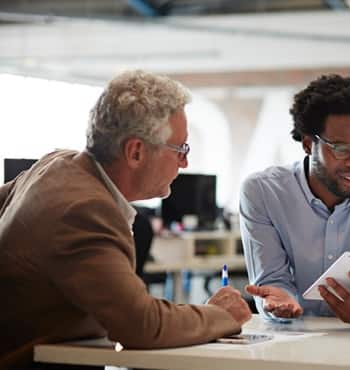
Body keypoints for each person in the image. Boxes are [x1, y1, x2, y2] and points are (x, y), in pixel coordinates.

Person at [0, 70, 252, 368]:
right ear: (135, 152)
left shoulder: (57, 164)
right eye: (180, 149)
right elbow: (141, 325)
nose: (185, 162)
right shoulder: (84, 210)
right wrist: (222, 316)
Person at [240, 74, 350, 328]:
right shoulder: (263, 192)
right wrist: (280, 303)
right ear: (307, 144)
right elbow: (272, 281)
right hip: (292, 338)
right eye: (341, 149)